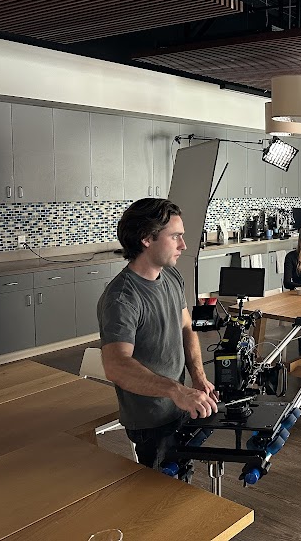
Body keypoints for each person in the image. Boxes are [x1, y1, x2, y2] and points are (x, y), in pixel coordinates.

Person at [98, 198, 219, 474]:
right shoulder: (122, 298)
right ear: (146, 239)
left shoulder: (172, 277)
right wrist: (176, 391)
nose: (183, 245)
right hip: (150, 421)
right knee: (160, 494)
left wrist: (198, 377)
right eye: (175, 236)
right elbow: (116, 365)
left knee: (182, 481)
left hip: (180, 405)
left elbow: (186, 328)